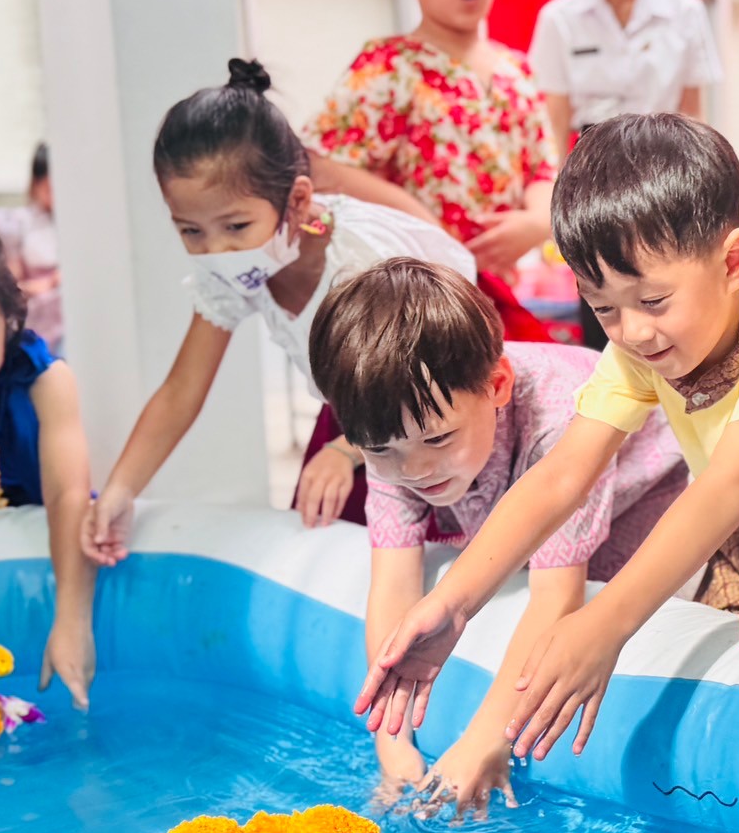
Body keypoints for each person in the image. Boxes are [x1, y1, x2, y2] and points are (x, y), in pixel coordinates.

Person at [355, 113, 739, 759]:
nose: (630, 332)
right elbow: (562, 474)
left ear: (733, 261)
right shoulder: (637, 347)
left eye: (653, 301)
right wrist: (456, 604)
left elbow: (730, 481)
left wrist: (604, 624)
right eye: (603, 308)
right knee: (716, 662)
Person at [308, 257, 685, 809]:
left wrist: (488, 739)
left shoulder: (562, 416)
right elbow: (393, 585)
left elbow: (555, 598)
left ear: (498, 386)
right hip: (517, 503)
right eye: (382, 451)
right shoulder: (397, 433)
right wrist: (392, 745)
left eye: (438, 441)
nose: (414, 470)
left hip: (650, 500)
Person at [81, 59, 482, 560]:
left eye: (235, 227)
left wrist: (343, 451)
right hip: (363, 408)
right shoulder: (233, 271)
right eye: (191, 231)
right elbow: (182, 389)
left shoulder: (360, 264)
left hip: (440, 399)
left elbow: (430, 386)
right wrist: (120, 490)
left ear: (296, 202)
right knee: (319, 542)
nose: (216, 252)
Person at [302, 0, 555, 345]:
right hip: (417, 308)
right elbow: (321, 165)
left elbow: (544, 171)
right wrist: (424, 223)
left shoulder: (516, 69)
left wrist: (536, 221)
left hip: (501, 297)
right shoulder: (388, 66)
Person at [529, 0, 722, 349]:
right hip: (591, 172)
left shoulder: (684, 10)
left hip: (663, 166)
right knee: (606, 305)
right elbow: (554, 126)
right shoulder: (560, 18)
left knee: (669, 300)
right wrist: (557, 210)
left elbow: (694, 117)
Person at [0, 211, 95, 710]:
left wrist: (70, 620)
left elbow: (69, 494)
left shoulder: (45, 382)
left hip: (31, 534)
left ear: (6, 312)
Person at [0, 144, 63, 354]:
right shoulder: (19, 223)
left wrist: (56, 281)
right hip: (38, 317)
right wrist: (43, 284)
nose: (53, 195)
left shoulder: (72, 224)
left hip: (67, 315)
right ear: (36, 184)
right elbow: (13, 282)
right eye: (48, 188)